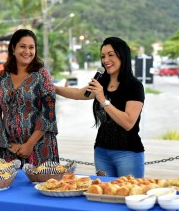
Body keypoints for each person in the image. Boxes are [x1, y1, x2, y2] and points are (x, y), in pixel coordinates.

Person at [56, 37, 145, 178]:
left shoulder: (134, 86)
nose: (106, 60)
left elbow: (128, 123)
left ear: (123, 56)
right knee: (103, 194)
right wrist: (53, 88)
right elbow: (79, 93)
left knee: (128, 194)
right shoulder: (102, 81)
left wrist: (103, 99)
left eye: (111, 55)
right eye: (103, 56)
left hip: (127, 153)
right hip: (102, 152)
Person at [0, 29, 59, 167]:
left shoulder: (42, 75)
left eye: (31, 47)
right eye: (22, 46)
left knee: (41, 186)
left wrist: (29, 145)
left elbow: (48, 114)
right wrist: (9, 145)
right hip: (10, 150)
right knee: (12, 186)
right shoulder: (1, 77)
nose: (27, 51)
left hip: (40, 147)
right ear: (13, 48)